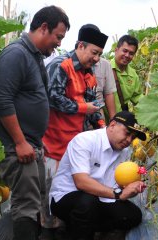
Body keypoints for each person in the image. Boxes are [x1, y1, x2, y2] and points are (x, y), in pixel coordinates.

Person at [0, 5, 70, 240]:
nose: (59, 44)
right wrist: (21, 142)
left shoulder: (32, 56)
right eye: (58, 37)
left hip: (29, 144)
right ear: (44, 28)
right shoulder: (16, 54)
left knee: (35, 201)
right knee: (26, 204)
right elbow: (2, 101)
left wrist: (34, 141)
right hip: (16, 146)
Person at [40, 24, 108, 238]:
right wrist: (82, 108)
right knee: (49, 202)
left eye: (99, 55)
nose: (97, 59)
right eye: (94, 53)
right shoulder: (61, 65)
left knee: (71, 199)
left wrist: (103, 127)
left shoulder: (89, 74)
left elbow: (93, 105)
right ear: (80, 45)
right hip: (54, 145)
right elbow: (52, 98)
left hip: (75, 149)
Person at [49, 111, 147, 240]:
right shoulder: (84, 140)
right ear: (112, 125)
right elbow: (81, 182)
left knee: (133, 215)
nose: (129, 140)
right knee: (87, 203)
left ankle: (79, 231)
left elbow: (117, 185)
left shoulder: (124, 152)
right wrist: (118, 193)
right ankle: (76, 232)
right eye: (127, 133)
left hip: (99, 198)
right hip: (66, 196)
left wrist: (131, 188)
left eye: (133, 138)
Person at [111, 35, 143, 112]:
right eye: (125, 51)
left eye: (131, 53)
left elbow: (137, 96)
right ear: (116, 50)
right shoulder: (105, 68)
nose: (127, 55)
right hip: (103, 120)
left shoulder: (133, 74)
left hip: (121, 120)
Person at [94, 57, 117, 121]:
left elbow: (109, 93)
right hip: (76, 111)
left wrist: (113, 120)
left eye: (99, 54)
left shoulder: (105, 64)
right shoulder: (68, 62)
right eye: (94, 52)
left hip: (98, 110)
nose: (96, 58)